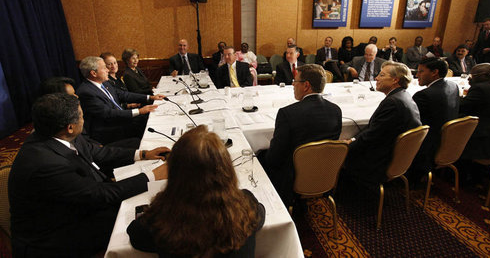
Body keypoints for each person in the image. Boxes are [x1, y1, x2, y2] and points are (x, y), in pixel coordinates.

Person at [8, 93, 169, 257]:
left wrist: (143, 154)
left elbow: (99, 153)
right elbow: (99, 194)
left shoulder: (58, 133)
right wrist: (152, 176)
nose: (84, 121)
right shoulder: (45, 164)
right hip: (51, 236)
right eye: (82, 116)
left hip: (76, 205)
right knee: (144, 226)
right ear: (70, 126)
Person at [127, 125, 265, 257]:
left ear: (174, 172)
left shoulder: (160, 219)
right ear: (226, 169)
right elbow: (261, 214)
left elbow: (135, 234)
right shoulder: (246, 206)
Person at [259, 64, 342, 205]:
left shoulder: (288, 113)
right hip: (325, 175)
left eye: (295, 82)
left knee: (260, 156)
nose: (292, 85)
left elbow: (274, 158)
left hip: (292, 180)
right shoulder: (336, 110)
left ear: (306, 86)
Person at [343, 61, 421, 185]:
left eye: (382, 75)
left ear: (395, 80)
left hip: (382, 160)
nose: (377, 78)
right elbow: (376, 129)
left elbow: (373, 136)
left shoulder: (393, 103)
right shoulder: (402, 96)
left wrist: (348, 145)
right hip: (396, 155)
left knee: (338, 153)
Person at [76, 56, 164, 145]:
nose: (107, 70)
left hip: (120, 119)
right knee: (146, 124)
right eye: (104, 68)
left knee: (151, 117)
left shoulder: (104, 82)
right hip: (109, 129)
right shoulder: (86, 92)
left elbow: (123, 94)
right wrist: (139, 111)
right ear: (93, 73)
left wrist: (150, 97)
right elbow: (108, 113)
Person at [409, 58, 460, 179]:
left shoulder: (424, 95)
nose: (417, 75)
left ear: (434, 72)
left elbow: (410, 123)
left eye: (421, 71)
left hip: (427, 146)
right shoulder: (453, 86)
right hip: (449, 142)